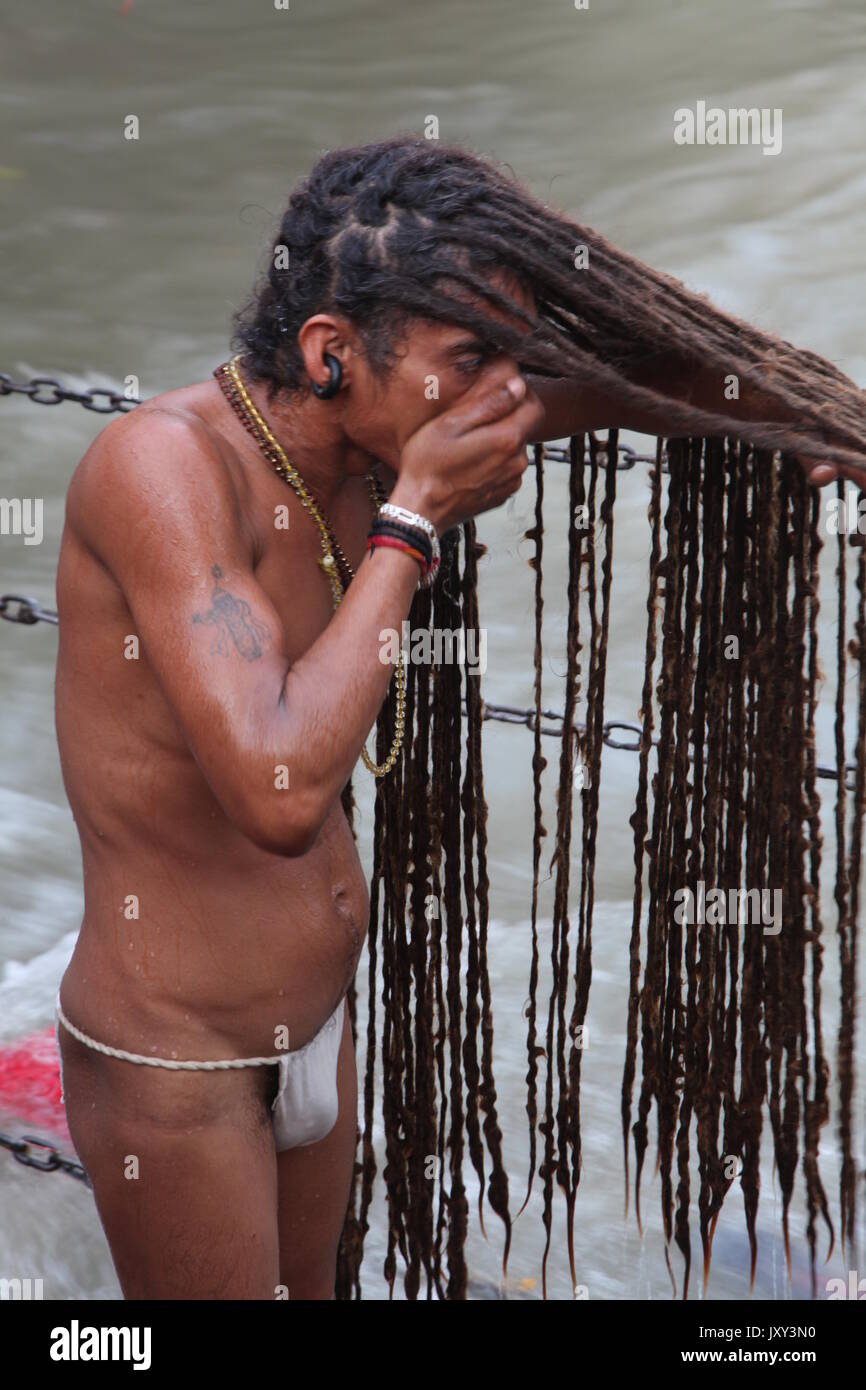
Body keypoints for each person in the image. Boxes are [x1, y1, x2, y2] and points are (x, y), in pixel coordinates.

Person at [53, 135, 862, 1301]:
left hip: (316, 1030)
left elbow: (665, 385)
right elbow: (277, 792)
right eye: (473, 357)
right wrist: (414, 516)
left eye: (513, 357)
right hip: (181, 1069)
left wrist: (820, 418)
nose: (505, 396)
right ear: (331, 352)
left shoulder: (385, 425)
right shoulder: (165, 470)